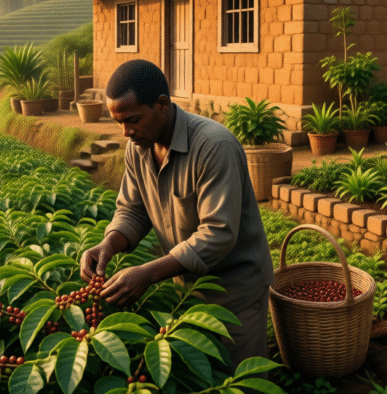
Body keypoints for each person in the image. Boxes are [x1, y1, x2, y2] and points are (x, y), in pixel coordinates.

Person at [80, 59, 274, 371]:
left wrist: (147, 273)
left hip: (235, 289)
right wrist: (109, 244)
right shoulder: (138, 147)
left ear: (162, 105)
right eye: (119, 122)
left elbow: (218, 233)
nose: (126, 131)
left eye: (133, 120)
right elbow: (133, 209)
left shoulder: (214, 146)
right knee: (201, 373)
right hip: (186, 287)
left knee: (239, 376)